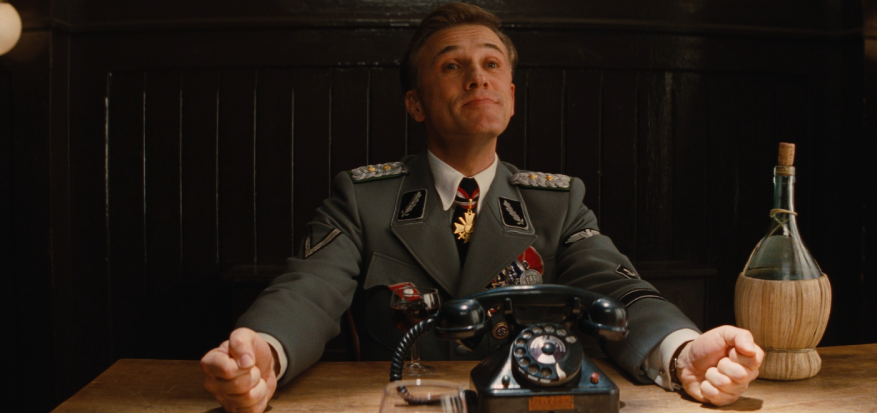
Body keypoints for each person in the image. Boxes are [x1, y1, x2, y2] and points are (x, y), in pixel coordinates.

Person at [200, 3, 764, 412]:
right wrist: (263, 354)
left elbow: (617, 286)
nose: (477, 78)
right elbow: (308, 289)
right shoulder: (363, 198)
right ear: (415, 103)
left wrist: (680, 350)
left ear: (511, 99)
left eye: (492, 64)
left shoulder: (557, 202)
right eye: (452, 66)